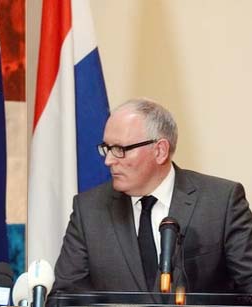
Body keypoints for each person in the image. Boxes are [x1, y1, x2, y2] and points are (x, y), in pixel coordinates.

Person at [52, 98, 252, 294]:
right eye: (107, 148)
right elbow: (65, 296)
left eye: (120, 149)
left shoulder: (221, 202)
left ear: (160, 151)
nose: (109, 160)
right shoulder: (89, 210)